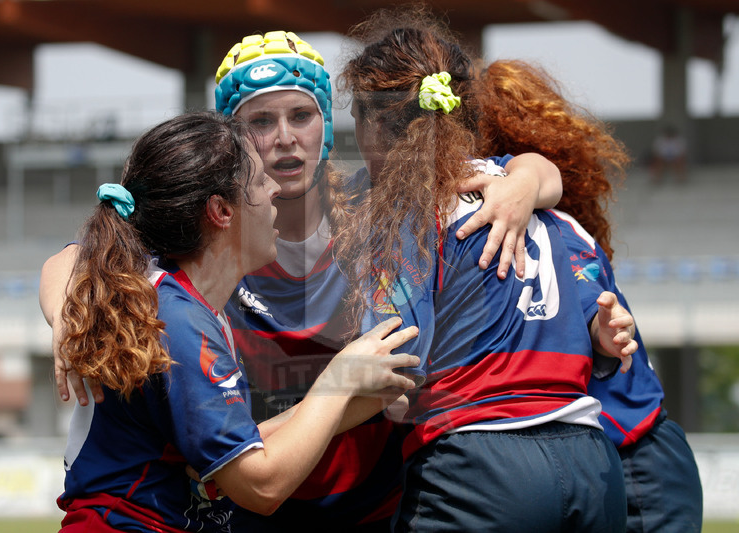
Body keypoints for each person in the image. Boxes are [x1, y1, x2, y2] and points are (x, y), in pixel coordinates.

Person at [41, 30, 567, 532]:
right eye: (261, 121)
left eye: (301, 114)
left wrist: (522, 184)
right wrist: (73, 316)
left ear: (325, 124)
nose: (285, 138)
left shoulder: (380, 212)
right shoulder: (205, 238)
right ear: (231, 147)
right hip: (255, 507)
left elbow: (539, 173)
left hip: (371, 502)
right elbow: (82, 256)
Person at [51, 110, 421, 532]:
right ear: (221, 211)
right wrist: (339, 380)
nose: (275, 190)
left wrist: (362, 395)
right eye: (261, 181)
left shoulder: (179, 301)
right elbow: (260, 487)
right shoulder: (178, 320)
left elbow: (244, 445)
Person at [337, 8, 632, 531]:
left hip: (479, 465)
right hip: (591, 462)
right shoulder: (545, 210)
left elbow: (392, 364)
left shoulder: (406, 215)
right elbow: (601, 321)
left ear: (371, 121)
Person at [474, 58, 703, 532]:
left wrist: (603, 330)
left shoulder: (555, 230)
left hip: (636, 460)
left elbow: (594, 311)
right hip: (604, 458)